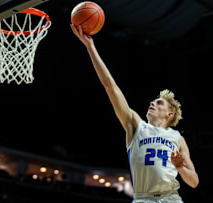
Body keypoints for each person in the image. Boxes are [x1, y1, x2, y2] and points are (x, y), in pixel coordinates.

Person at [70, 24, 199, 203]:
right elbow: (110, 85)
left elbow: (194, 182)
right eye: (153, 101)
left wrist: (181, 168)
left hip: (171, 198)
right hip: (142, 199)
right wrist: (90, 47)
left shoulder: (177, 138)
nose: (152, 103)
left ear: (169, 115)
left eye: (159, 103)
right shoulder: (135, 124)